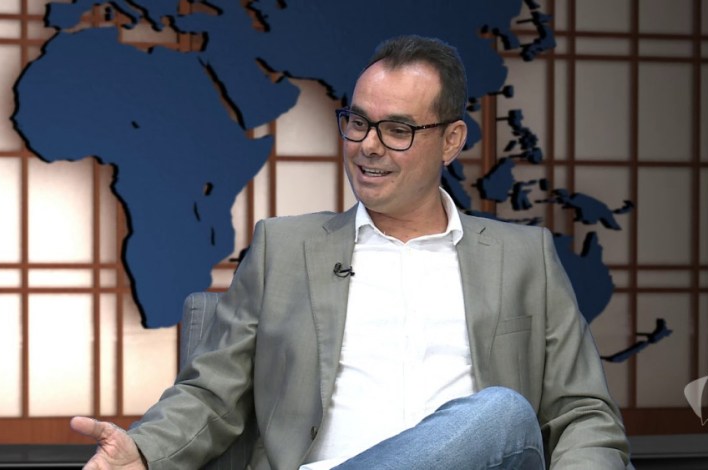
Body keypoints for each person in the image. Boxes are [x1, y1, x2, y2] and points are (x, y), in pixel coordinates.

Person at [72, 35, 632, 469]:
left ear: (452, 141)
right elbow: (211, 395)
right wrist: (144, 452)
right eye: (358, 122)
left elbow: (583, 413)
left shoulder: (524, 257)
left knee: (502, 414)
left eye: (397, 130)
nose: (367, 146)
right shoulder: (284, 250)